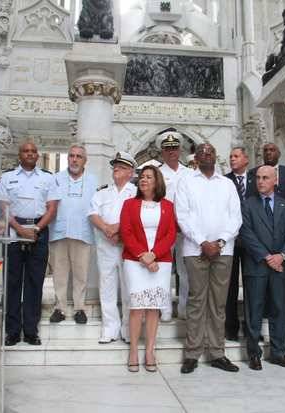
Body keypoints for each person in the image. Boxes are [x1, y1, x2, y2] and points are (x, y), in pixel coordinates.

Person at [176, 143, 242, 374]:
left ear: (216, 156)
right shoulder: (186, 182)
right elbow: (182, 216)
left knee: (218, 303)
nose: (206, 155)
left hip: (224, 251)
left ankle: (217, 353)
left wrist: (220, 242)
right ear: (196, 157)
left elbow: (236, 217)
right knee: (196, 301)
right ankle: (192, 353)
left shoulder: (227, 184)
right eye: (202, 152)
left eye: (210, 152)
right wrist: (203, 242)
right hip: (195, 251)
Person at [0, 141, 58, 347]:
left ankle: (31, 330)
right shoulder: (7, 178)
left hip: (38, 231)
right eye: (26, 151)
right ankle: (12, 332)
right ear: (19, 155)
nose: (30, 154)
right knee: (12, 283)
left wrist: (36, 229)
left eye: (33, 151)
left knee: (34, 282)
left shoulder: (48, 178)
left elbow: (51, 208)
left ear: (37, 155)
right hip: (14, 228)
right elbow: (3, 207)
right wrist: (19, 228)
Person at [120, 165, 177, 372]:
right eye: (142, 177)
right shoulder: (129, 205)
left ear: (157, 182)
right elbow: (126, 233)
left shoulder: (168, 206)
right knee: (136, 307)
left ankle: (150, 351)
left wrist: (154, 255)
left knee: (153, 308)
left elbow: (171, 234)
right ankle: (134, 350)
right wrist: (144, 256)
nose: (144, 180)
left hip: (160, 262)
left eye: (149, 177)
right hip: (135, 261)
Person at [240, 165, 285, 370]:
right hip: (257, 266)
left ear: (275, 181)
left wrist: (281, 256)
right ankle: (253, 353)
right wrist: (266, 257)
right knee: (254, 310)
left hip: (279, 266)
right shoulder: (248, 205)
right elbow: (246, 233)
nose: (261, 181)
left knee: (279, 309)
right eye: (258, 178)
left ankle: (278, 352)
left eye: (265, 178)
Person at [89, 152, 138, 343]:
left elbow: (136, 217)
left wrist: (118, 230)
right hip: (105, 246)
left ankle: (127, 329)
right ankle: (110, 328)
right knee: (107, 287)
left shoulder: (136, 193)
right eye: (115, 166)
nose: (116, 169)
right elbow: (93, 214)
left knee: (128, 287)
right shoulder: (102, 192)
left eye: (122, 167)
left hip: (128, 247)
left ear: (131, 172)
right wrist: (107, 229)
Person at [49, 144, 98, 325]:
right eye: (71, 156)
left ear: (85, 160)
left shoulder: (93, 180)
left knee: (81, 273)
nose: (74, 159)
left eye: (78, 156)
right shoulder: (56, 179)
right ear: (67, 158)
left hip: (83, 232)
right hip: (59, 232)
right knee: (59, 273)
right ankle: (59, 308)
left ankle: (79, 308)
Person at [249, 142, 285, 317]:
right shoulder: (253, 174)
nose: (269, 153)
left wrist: (282, 252)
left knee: (283, 283)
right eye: (265, 150)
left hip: (283, 231)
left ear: (279, 152)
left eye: (272, 150)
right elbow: (250, 204)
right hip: (259, 233)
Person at [157, 131, 193, 320]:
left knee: (184, 270)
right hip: (164, 229)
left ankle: (184, 307)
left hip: (185, 230)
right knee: (163, 269)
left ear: (180, 150)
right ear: (162, 152)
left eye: (175, 148)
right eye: (167, 148)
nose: (172, 151)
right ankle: (164, 309)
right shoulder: (157, 173)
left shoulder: (190, 173)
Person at [224, 147, 255, 341]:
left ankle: (252, 328)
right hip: (230, 241)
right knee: (230, 287)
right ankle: (231, 328)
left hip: (252, 241)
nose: (232, 159)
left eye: (236, 156)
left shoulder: (257, 179)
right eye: (230, 157)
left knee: (252, 286)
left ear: (246, 159)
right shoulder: (224, 181)